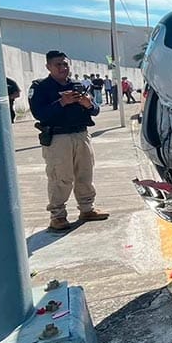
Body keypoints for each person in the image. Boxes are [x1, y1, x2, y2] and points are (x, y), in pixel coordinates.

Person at [29, 50, 110, 231]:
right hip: (58, 138)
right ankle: (58, 216)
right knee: (61, 177)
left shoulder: (78, 85)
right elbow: (39, 114)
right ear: (48, 66)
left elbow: (95, 110)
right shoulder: (40, 87)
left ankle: (87, 209)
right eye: (58, 64)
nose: (63, 68)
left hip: (81, 135)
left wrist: (89, 104)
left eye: (65, 64)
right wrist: (61, 102)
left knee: (85, 174)